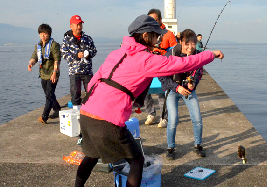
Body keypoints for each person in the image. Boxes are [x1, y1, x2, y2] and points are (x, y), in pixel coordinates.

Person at [74, 15, 224, 187]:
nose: (158, 39)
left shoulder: (117, 52)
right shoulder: (146, 60)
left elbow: (94, 81)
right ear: (146, 36)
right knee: (137, 160)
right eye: (156, 35)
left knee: (92, 156)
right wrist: (210, 54)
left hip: (87, 113)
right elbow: (183, 64)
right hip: (108, 119)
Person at [159, 29, 208, 160]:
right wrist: (177, 87)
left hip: (189, 91)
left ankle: (198, 145)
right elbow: (162, 76)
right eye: (187, 44)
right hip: (172, 91)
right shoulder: (170, 55)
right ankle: (170, 148)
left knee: (197, 119)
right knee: (173, 120)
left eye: (193, 44)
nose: (190, 47)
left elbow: (199, 72)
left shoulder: (197, 55)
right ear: (180, 42)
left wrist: (194, 83)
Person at [144, 8, 178, 128]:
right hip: (149, 67)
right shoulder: (146, 33)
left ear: (160, 20)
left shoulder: (168, 34)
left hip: (163, 68)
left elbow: (175, 52)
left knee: (162, 93)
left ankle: (164, 117)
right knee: (145, 91)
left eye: (154, 20)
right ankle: (151, 114)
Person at [60, 15, 97, 109]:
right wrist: (76, 56)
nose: (79, 27)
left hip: (87, 71)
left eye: (80, 24)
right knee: (75, 95)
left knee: (91, 93)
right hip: (74, 72)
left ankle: (90, 112)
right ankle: (76, 114)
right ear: (71, 26)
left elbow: (94, 51)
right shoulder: (67, 40)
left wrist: (89, 54)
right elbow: (63, 54)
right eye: (77, 25)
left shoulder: (88, 38)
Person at [28, 23, 61, 124]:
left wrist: (55, 73)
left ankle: (44, 117)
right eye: (41, 33)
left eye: (45, 33)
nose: (43, 35)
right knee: (49, 95)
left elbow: (57, 60)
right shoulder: (38, 45)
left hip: (52, 74)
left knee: (49, 95)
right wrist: (31, 64)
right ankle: (57, 109)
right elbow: (35, 57)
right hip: (43, 74)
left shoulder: (54, 45)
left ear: (49, 34)